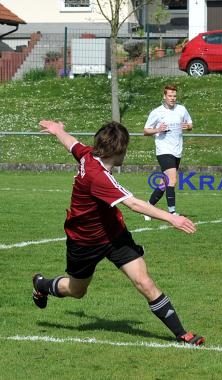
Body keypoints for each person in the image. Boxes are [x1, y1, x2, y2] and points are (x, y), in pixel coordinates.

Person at [32, 119, 205, 346]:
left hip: (114, 235)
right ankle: (42, 285)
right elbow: (135, 204)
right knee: (77, 290)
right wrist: (173, 217)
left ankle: (183, 335)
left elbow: (72, 144)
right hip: (85, 241)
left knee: (144, 282)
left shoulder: (89, 155)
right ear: (119, 151)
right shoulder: (99, 177)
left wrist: (58, 131)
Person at [143, 84, 193, 220]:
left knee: (163, 183)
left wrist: (187, 126)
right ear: (164, 96)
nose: (172, 98)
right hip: (164, 150)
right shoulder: (157, 112)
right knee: (172, 179)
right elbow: (146, 130)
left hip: (177, 150)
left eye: (174, 96)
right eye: (170, 96)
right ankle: (172, 212)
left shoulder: (181, 109)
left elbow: (190, 124)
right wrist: (158, 130)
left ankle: (148, 208)